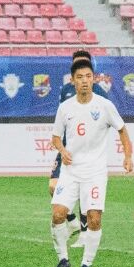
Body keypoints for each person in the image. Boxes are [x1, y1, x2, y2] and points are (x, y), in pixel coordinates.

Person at [49, 58, 133, 267]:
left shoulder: (104, 105)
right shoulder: (65, 108)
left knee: (94, 218)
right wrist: (62, 150)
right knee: (58, 214)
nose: (84, 81)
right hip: (70, 171)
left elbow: (122, 130)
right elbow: (56, 137)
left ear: (93, 79)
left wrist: (128, 156)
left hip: (95, 173)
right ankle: (63, 259)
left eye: (88, 76)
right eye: (80, 77)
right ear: (73, 81)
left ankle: (86, 264)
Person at [50, 50, 112, 239]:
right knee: (53, 187)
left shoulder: (98, 92)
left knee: (86, 195)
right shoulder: (65, 90)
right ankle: (72, 221)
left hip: (87, 153)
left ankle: (85, 233)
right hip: (67, 149)